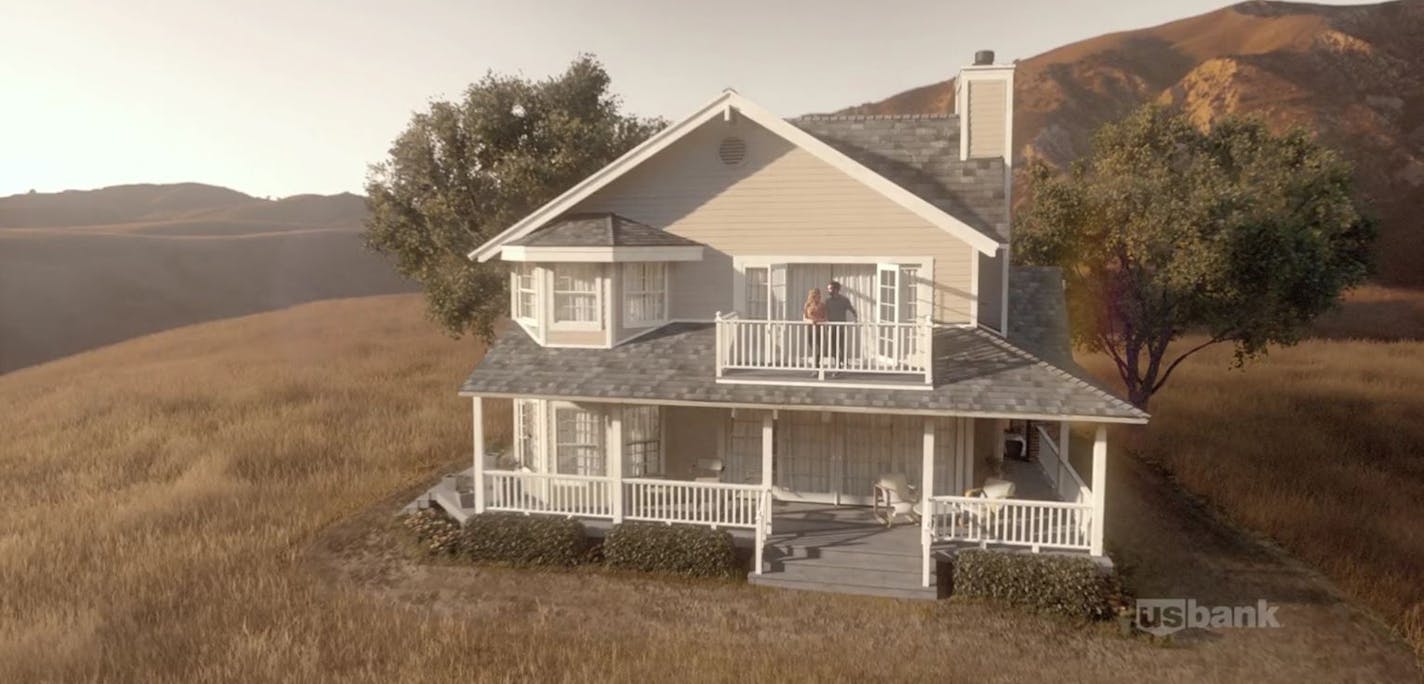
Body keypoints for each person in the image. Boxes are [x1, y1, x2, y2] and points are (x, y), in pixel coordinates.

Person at [823, 281, 856, 369]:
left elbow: (852, 310)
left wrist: (855, 320)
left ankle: (843, 362)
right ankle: (838, 363)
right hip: (831, 327)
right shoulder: (827, 301)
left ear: (836, 289)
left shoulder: (844, 300)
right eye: (828, 289)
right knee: (833, 347)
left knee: (841, 346)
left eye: (830, 289)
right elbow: (824, 312)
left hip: (841, 328)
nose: (828, 291)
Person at [802, 288, 826, 372]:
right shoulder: (807, 305)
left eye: (819, 294)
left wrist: (819, 320)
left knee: (819, 349)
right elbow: (804, 318)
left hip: (820, 330)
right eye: (816, 294)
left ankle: (817, 366)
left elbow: (826, 318)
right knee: (814, 349)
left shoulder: (822, 305)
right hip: (811, 330)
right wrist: (811, 321)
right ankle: (815, 367)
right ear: (812, 296)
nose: (818, 296)